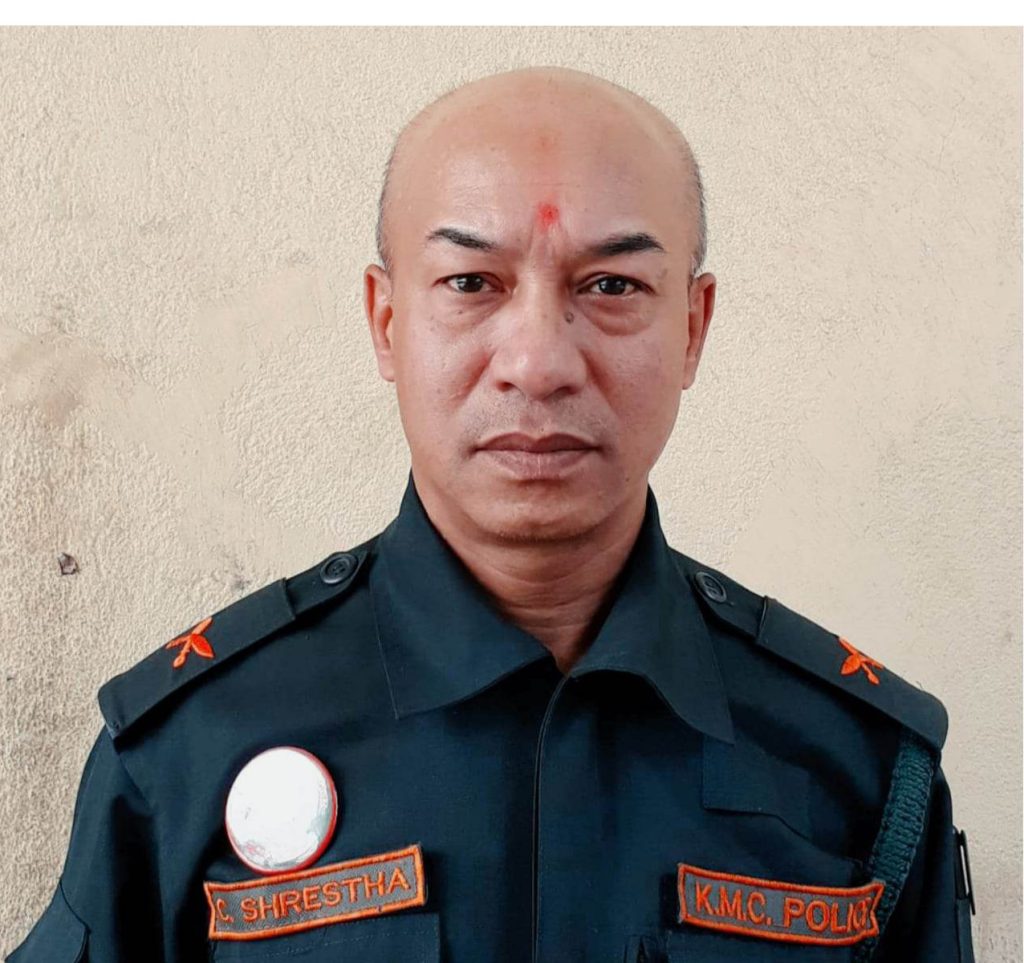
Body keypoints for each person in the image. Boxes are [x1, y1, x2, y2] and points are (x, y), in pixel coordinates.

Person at [8, 65, 975, 963]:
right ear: (387, 322)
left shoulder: (856, 764)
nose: (539, 363)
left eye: (612, 286)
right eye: (472, 283)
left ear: (693, 326)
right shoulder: (192, 749)